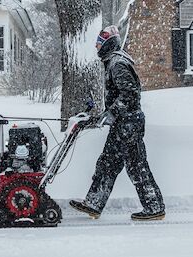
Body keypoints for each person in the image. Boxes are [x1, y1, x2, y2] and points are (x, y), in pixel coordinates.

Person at [69, 25, 165, 221]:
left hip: (129, 124)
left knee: (136, 166)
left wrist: (111, 112)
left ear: (108, 44)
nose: (97, 47)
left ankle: (154, 207)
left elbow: (130, 94)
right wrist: (106, 114)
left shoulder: (117, 63)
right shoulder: (114, 61)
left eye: (99, 43)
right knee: (108, 163)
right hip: (124, 124)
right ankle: (94, 204)